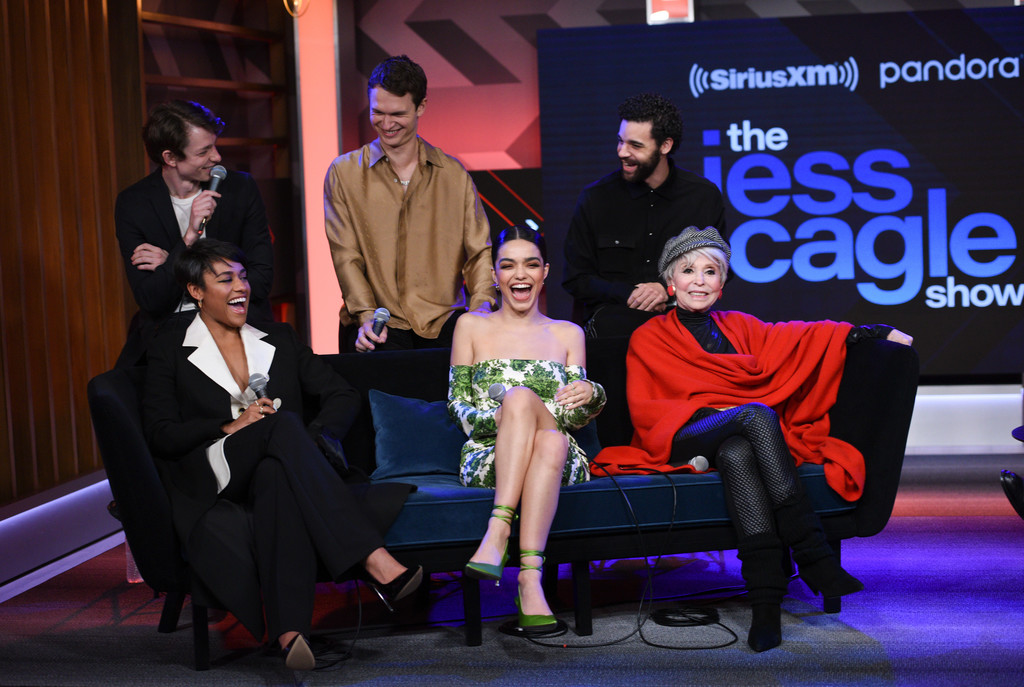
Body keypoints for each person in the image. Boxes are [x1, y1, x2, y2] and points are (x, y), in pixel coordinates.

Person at [594, 226, 913, 652]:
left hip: (735, 434)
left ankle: (765, 603)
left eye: (710, 272)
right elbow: (649, 409)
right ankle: (812, 552)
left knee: (738, 452)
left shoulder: (741, 326)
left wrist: (871, 333)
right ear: (671, 282)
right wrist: (720, 415)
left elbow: (804, 337)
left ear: (721, 284)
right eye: (688, 271)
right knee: (757, 413)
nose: (699, 280)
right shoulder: (650, 335)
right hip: (680, 434)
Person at [143, 240, 422, 670]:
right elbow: (161, 434)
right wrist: (229, 426)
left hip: (277, 464)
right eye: (225, 279)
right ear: (196, 291)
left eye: (243, 277)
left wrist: (309, 440)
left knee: (277, 470)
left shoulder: (279, 338)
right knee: (279, 424)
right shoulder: (168, 347)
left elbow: (341, 394)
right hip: (217, 469)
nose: (241, 287)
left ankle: (290, 635)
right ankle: (372, 558)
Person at [447, 225, 606, 632]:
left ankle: (498, 530)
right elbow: (457, 406)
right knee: (547, 442)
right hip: (489, 455)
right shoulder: (470, 326)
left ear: (544, 272)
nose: (520, 274)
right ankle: (530, 578)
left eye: (531, 265)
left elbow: (572, 418)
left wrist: (593, 394)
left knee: (529, 409)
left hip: (564, 459)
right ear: (495, 275)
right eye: (508, 265)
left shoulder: (567, 333)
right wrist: (496, 419)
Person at [324, 54, 494, 353]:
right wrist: (365, 315)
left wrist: (481, 309)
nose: (386, 124)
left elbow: (479, 252)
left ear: (421, 107)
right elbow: (346, 254)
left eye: (398, 114)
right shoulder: (344, 172)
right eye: (378, 112)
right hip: (377, 321)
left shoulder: (453, 175)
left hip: (443, 321)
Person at [115, 100, 274, 367]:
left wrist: (174, 264)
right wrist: (189, 238)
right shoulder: (134, 203)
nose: (217, 157)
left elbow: (261, 279)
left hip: (240, 327)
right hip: (170, 334)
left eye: (214, 145)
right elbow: (151, 299)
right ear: (170, 158)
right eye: (204, 151)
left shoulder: (240, 189)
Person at [563, 93, 726, 339]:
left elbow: (721, 269)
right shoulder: (595, 198)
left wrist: (667, 289)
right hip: (612, 333)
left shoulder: (702, 197)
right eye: (620, 141)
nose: (622, 152)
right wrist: (629, 294)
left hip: (683, 333)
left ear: (665, 146)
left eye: (635, 146)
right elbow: (576, 278)